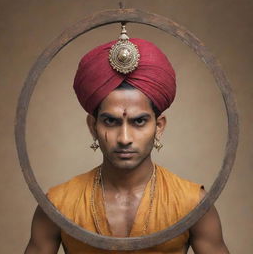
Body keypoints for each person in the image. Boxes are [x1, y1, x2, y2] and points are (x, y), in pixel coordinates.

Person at [25, 25, 229, 254]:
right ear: (93, 126)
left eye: (139, 121)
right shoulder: (59, 204)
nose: (124, 138)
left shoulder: (191, 203)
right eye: (111, 122)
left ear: (158, 126)